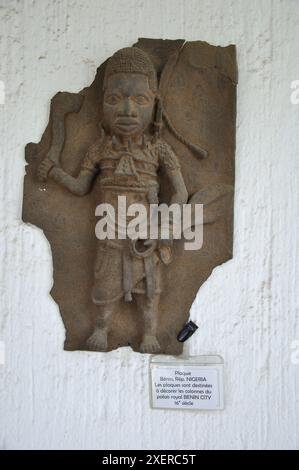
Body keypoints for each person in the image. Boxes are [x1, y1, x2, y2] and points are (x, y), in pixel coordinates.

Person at [38, 47, 188, 353]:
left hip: (144, 234)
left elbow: (181, 193)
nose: (128, 111)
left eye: (140, 100)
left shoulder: (159, 150)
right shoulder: (100, 149)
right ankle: (101, 329)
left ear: (155, 106)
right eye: (115, 99)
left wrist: (163, 227)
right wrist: (54, 172)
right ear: (101, 105)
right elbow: (81, 187)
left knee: (149, 286)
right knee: (106, 284)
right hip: (110, 234)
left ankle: (149, 334)